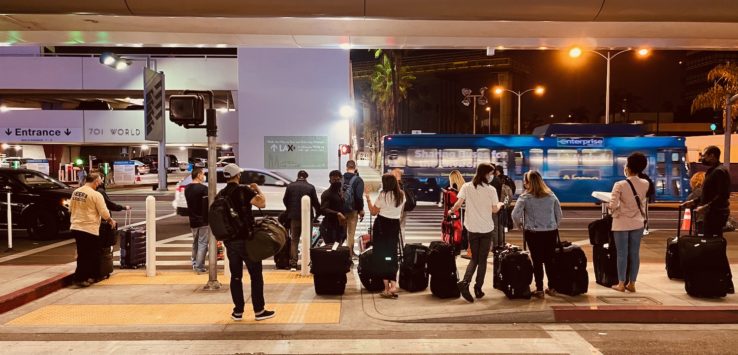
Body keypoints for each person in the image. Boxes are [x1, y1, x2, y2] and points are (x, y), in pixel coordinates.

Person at [220, 164, 275, 321]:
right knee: (256, 275)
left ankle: (237, 312)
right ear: (238, 176)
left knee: (235, 277)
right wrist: (257, 189)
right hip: (247, 240)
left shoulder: (222, 194)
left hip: (230, 241)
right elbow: (261, 203)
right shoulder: (243, 190)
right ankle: (259, 311)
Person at [449, 163, 503, 303]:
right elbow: (494, 210)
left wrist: (450, 211)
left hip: (472, 228)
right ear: (485, 174)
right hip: (486, 229)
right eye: (491, 173)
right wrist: (501, 205)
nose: (492, 176)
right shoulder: (491, 190)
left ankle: (465, 282)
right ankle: (478, 288)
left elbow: (458, 204)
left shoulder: (466, 186)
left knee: (474, 258)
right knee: (482, 260)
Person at [511, 170, 562, 299]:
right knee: (550, 260)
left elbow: (515, 215)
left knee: (537, 261)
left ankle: (539, 289)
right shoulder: (551, 196)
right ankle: (552, 287)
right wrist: (553, 225)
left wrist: (520, 225)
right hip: (550, 232)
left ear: (528, 183)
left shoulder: (525, 197)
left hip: (533, 233)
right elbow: (559, 215)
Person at [609, 153, 650, 293]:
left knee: (622, 253)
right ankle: (632, 284)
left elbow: (613, 205)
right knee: (634, 253)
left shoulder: (619, 184)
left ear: (628, 167)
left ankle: (621, 284)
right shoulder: (645, 184)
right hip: (637, 222)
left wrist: (613, 211)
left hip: (621, 223)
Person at [69, 172, 116, 287]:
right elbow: (104, 211)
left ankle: (85, 276)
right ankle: (81, 278)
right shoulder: (96, 195)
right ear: (95, 182)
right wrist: (110, 220)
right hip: (88, 228)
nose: (99, 184)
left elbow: (70, 208)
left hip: (76, 226)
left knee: (82, 253)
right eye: (99, 182)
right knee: (90, 254)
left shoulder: (76, 192)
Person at [365, 174, 405, 299]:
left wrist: (367, 198)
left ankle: (386, 288)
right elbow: (401, 212)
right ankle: (393, 285)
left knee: (382, 256)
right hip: (394, 225)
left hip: (382, 226)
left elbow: (373, 212)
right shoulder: (402, 195)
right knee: (392, 254)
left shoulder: (383, 195)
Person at [683, 146, 731, 239]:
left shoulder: (719, 171)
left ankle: (716, 254)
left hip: (716, 214)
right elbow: (708, 193)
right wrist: (694, 201)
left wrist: (706, 206)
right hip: (712, 212)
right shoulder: (713, 170)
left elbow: (723, 195)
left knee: (712, 240)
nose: (702, 158)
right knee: (711, 240)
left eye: (704, 156)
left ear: (712, 156)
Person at [282, 170, 321, 271]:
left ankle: (293, 264)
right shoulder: (310, 187)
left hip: (294, 217)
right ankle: (307, 262)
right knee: (307, 240)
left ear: (298, 176)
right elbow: (315, 202)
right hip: (307, 218)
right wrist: (318, 212)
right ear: (306, 177)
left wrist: (290, 209)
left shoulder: (290, 186)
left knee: (294, 240)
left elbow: (285, 200)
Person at [184, 167, 209, 273]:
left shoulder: (187, 188)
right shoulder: (203, 189)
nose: (204, 176)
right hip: (203, 220)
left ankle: (194, 263)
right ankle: (200, 267)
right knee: (203, 243)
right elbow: (207, 204)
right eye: (203, 174)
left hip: (192, 219)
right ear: (199, 175)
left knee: (195, 243)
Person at [343, 160, 365, 258]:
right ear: (355, 168)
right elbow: (358, 197)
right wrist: (361, 210)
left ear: (346, 167)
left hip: (341, 211)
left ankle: (340, 252)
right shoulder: (358, 180)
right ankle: (349, 254)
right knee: (350, 233)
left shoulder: (341, 179)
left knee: (341, 233)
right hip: (353, 210)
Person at [320, 170, 348, 244]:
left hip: (340, 226)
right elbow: (323, 209)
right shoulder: (327, 194)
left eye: (338, 179)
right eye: (334, 180)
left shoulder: (340, 192)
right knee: (332, 249)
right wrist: (337, 213)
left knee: (339, 247)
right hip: (330, 227)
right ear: (330, 181)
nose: (336, 182)